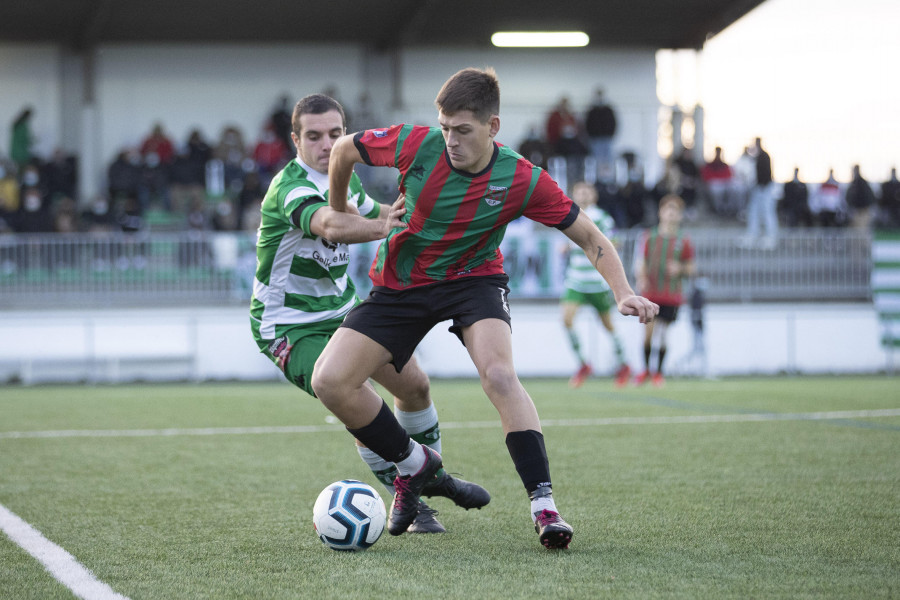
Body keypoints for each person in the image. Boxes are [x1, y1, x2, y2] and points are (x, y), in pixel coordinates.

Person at [313, 67, 658, 549]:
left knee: (499, 376)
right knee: (329, 381)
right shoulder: (415, 144)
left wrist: (622, 290)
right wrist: (343, 209)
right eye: (445, 127)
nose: (450, 139)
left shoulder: (521, 178)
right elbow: (346, 148)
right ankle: (415, 465)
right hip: (402, 283)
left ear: (492, 127)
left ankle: (545, 508)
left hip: (473, 280)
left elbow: (588, 236)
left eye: (463, 130)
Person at [249, 94, 490, 535]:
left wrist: (426, 220)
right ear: (295, 140)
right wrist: (385, 228)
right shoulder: (290, 188)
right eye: (314, 136)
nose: (326, 145)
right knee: (357, 403)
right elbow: (330, 224)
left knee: (415, 385)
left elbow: (380, 212)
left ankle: (420, 481)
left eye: (335, 135)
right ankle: (423, 491)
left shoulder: (345, 178)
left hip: (343, 310)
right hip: (288, 326)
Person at [561, 181, 631, 388]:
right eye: (578, 191)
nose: (582, 195)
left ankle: (624, 365)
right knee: (566, 320)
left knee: (608, 325)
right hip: (576, 280)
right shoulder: (568, 215)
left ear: (593, 196)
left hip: (596, 281)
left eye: (586, 191)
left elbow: (615, 242)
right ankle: (583, 365)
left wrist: (587, 246)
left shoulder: (601, 217)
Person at [634, 194, 695, 387]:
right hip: (651, 293)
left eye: (675, 211)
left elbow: (691, 268)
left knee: (663, 334)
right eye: (668, 209)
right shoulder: (649, 237)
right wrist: (641, 278)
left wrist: (681, 268)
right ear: (661, 212)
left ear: (679, 216)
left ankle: (659, 373)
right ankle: (645, 370)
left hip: (672, 294)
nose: (671, 214)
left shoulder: (683, 241)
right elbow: (641, 261)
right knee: (648, 334)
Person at [742, 137, 777, 248]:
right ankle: (753, 235)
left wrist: (762, 186)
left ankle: (771, 237)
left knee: (767, 212)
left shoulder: (764, 156)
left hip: (765, 188)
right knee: (753, 212)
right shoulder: (756, 157)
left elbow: (766, 174)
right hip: (758, 188)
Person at [584, 88, 617, 170]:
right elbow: (588, 124)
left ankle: (607, 177)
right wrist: (591, 135)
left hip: (606, 138)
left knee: (607, 159)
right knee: (596, 159)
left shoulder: (608, 110)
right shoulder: (592, 111)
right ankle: (598, 176)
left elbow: (613, 123)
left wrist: (610, 134)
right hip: (595, 139)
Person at [845, 164, 876, 230]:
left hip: (862, 211)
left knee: (862, 230)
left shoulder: (862, 183)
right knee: (856, 231)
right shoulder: (853, 183)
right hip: (855, 211)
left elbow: (869, 196)